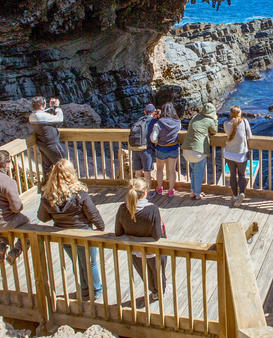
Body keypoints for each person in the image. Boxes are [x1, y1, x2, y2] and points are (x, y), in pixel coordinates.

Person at [38, 159, 105, 300]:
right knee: (90, 262)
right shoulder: (79, 193)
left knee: (78, 262)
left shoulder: (47, 195)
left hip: (63, 234)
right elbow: (93, 213)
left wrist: (57, 215)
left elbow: (42, 217)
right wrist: (101, 227)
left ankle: (85, 289)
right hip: (83, 232)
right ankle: (96, 289)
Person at [115, 178, 171, 307]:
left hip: (135, 249)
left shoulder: (123, 208)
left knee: (145, 273)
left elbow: (118, 232)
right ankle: (161, 290)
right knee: (158, 272)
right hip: (153, 249)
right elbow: (157, 235)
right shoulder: (152, 209)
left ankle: (154, 291)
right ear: (145, 192)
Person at [181, 103, 218, 200]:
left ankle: (193, 191)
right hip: (198, 151)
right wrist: (215, 120)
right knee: (199, 173)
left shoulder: (195, 117)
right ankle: (197, 194)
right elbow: (214, 131)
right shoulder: (210, 120)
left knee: (194, 171)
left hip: (187, 150)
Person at [29, 96, 66, 185]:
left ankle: (48, 188)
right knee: (63, 166)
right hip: (52, 145)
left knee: (47, 168)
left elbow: (44, 116)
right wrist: (57, 107)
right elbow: (59, 119)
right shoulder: (42, 116)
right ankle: (66, 186)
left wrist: (50, 108)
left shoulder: (32, 116)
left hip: (43, 145)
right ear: (43, 104)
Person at [223, 106, 252, 207]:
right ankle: (242, 193)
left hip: (228, 153)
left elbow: (229, 134)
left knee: (232, 174)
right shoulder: (244, 122)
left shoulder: (226, 123)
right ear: (240, 113)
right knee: (241, 175)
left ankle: (235, 195)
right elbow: (250, 136)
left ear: (231, 114)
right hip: (240, 154)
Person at [149, 102, 181, 197]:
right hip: (173, 147)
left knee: (160, 168)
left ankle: (159, 188)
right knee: (172, 170)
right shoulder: (177, 122)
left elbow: (153, 138)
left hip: (161, 148)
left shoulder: (158, 123)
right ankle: (171, 190)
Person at [126, 104, 159, 188]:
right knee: (147, 172)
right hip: (146, 149)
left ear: (144, 112)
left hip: (135, 148)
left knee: (138, 172)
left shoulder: (139, 120)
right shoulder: (153, 121)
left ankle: (137, 191)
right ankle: (147, 192)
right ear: (153, 112)